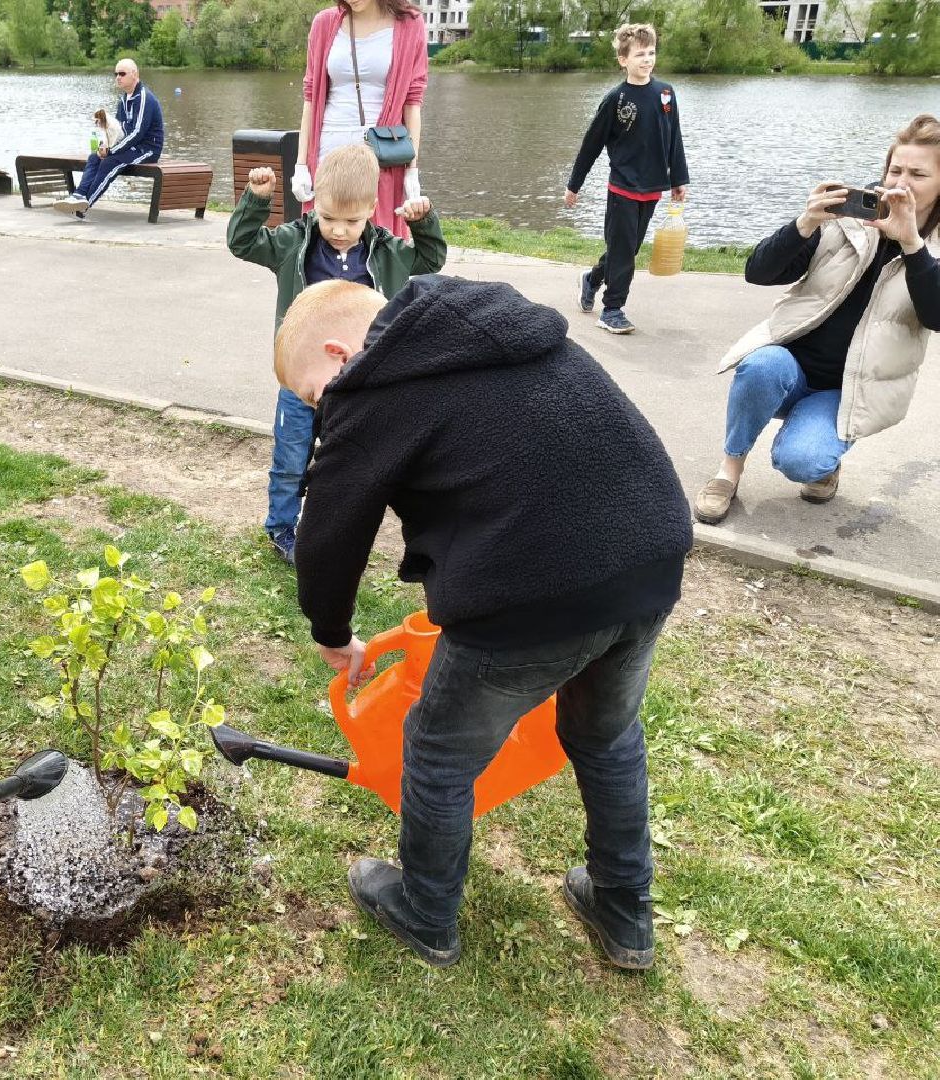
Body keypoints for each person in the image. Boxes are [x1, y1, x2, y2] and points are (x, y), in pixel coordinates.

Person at [273, 275, 693, 969]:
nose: (325, 410)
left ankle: (426, 911)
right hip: (649, 557)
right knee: (607, 735)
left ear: (338, 354)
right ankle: (626, 914)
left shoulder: (370, 385)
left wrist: (331, 632)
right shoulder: (491, 325)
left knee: (438, 752)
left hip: (531, 591)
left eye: (315, 395)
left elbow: (330, 530)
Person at [693, 114, 940, 524]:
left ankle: (822, 454)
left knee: (802, 461)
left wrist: (912, 245)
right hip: (790, 366)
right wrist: (804, 223)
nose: (901, 182)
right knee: (761, 365)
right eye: (896, 169)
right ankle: (728, 471)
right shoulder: (849, 217)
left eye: (918, 174)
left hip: (849, 390)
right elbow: (759, 272)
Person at [227, 142, 446, 564]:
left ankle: (331, 528)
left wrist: (423, 223)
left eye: (352, 221)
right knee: (290, 457)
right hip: (302, 381)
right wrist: (256, 200)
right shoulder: (294, 242)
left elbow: (430, 258)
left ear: (372, 210)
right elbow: (243, 243)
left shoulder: (386, 251)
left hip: (355, 386)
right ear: (314, 204)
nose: (339, 230)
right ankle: (282, 527)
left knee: (344, 463)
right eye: (328, 218)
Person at [565, 23, 689, 335]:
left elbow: (674, 138)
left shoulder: (666, 94)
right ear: (623, 60)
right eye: (639, 54)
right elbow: (591, 145)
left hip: (653, 188)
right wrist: (574, 185)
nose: (647, 59)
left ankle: (592, 278)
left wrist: (679, 179)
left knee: (627, 250)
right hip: (622, 187)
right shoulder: (615, 99)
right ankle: (612, 309)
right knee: (623, 253)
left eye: (651, 53)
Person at [293, 0, 428, 240]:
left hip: (382, 151)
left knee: (376, 239)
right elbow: (311, 97)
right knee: (327, 234)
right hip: (328, 147)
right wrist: (301, 164)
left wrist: (412, 169)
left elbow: (412, 101)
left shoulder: (410, 24)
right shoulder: (324, 23)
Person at [52, 58, 164, 218]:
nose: (118, 77)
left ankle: (83, 206)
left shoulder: (144, 98)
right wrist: (104, 146)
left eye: (122, 74)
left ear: (134, 74)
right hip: (130, 147)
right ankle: (78, 195)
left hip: (147, 149)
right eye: (115, 74)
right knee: (94, 157)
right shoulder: (124, 99)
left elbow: (137, 133)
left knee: (110, 162)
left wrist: (111, 151)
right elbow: (116, 131)